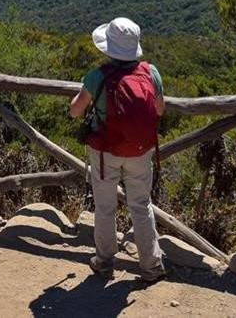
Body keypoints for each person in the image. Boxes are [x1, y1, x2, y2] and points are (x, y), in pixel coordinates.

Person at [69, 17, 166, 281]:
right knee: (141, 205)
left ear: (108, 48)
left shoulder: (97, 76)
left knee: (105, 207)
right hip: (140, 151)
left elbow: (75, 111)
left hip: (105, 152)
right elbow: (159, 109)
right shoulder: (151, 72)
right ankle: (152, 265)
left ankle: (104, 261)